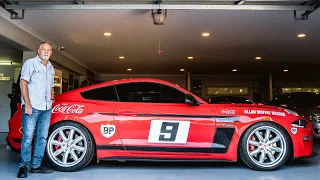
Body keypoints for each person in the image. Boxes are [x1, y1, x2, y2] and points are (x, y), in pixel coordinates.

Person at [17, 42, 55, 178]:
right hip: (32, 107)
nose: (46, 52)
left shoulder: (51, 68)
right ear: (38, 51)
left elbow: (51, 85)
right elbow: (23, 82)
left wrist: (51, 98)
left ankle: (36, 165)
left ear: (51, 53)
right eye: (44, 49)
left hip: (46, 108)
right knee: (27, 138)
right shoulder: (30, 63)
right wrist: (27, 104)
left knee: (42, 137)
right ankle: (23, 166)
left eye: (49, 50)